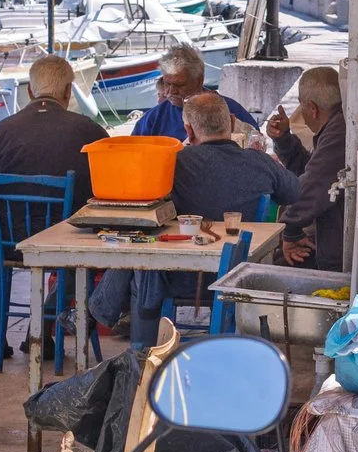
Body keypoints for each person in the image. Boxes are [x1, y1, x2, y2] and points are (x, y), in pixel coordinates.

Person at [89, 92, 296, 346]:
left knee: (142, 267)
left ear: (188, 130)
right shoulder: (260, 162)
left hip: (181, 277)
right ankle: (99, 313)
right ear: (232, 122)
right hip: (239, 274)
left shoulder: (174, 163)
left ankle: (137, 350)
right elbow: (295, 192)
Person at [0, 55, 110, 359]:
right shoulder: (90, 131)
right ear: (68, 92)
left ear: (30, 91)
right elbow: (105, 190)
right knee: (86, 252)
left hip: (10, 242)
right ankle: (42, 327)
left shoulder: (2, 130)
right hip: (64, 243)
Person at [265, 65, 348, 271]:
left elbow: (314, 184)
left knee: (278, 265)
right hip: (330, 235)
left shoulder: (339, 131)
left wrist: (290, 230)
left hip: (337, 248)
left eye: (301, 107)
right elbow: (312, 171)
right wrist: (284, 139)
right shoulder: (337, 125)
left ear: (312, 108)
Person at [132, 43, 257, 142]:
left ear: (199, 80)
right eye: (167, 83)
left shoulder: (230, 110)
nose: (170, 91)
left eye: (179, 85)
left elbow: (256, 145)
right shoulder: (153, 119)